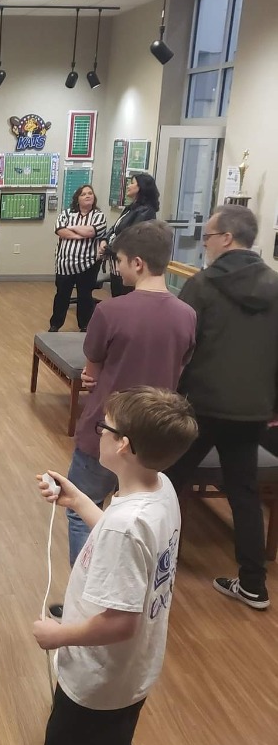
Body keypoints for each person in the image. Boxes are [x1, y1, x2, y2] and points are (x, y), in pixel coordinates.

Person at [31, 386, 197, 745]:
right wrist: (78, 501)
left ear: (123, 445)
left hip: (98, 678)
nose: (96, 431)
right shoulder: (159, 490)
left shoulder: (129, 524)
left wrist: (56, 635)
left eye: (104, 427)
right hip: (131, 676)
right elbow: (123, 540)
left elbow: (118, 621)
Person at [63, 220, 196, 567]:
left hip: (106, 432)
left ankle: (86, 594)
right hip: (153, 438)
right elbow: (179, 367)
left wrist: (99, 378)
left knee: (81, 508)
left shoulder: (110, 310)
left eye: (119, 261)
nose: (117, 268)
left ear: (138, 263)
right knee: (135, 517)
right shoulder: (187, 315)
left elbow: (91, 371)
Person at [167, 205, 278, 611]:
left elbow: (184, 345)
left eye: (209, 235)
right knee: (243, 491)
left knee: (165, 479)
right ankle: (254, 585)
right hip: (252, 410)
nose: (206, 243)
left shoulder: (202, 285)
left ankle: (154, 566)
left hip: (201, 403)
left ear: (227, 238)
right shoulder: (276, 286)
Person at [49, 184, 108, 332]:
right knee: (62, 295)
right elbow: (59, 230)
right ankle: (55, 325)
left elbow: (92, 231)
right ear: (77, 199)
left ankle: (84, 326)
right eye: (83, 194)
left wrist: (71, 228)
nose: (88, 196)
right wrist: (80, 234)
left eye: (90, 193)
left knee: (85, 295)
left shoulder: (99, 215)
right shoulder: (66, 213)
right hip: (65, 263)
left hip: (88, 264)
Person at [100, 172, 160, 297]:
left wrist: (109, 249)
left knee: (123, 298)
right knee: (116, 297)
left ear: (141, 188)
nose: (128, 186)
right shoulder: (130, 208)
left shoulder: (146, 211)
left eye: (132, 183)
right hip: (116, 262)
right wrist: (104, 240)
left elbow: (131, 237)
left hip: (128, 263)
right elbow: (115, 228)